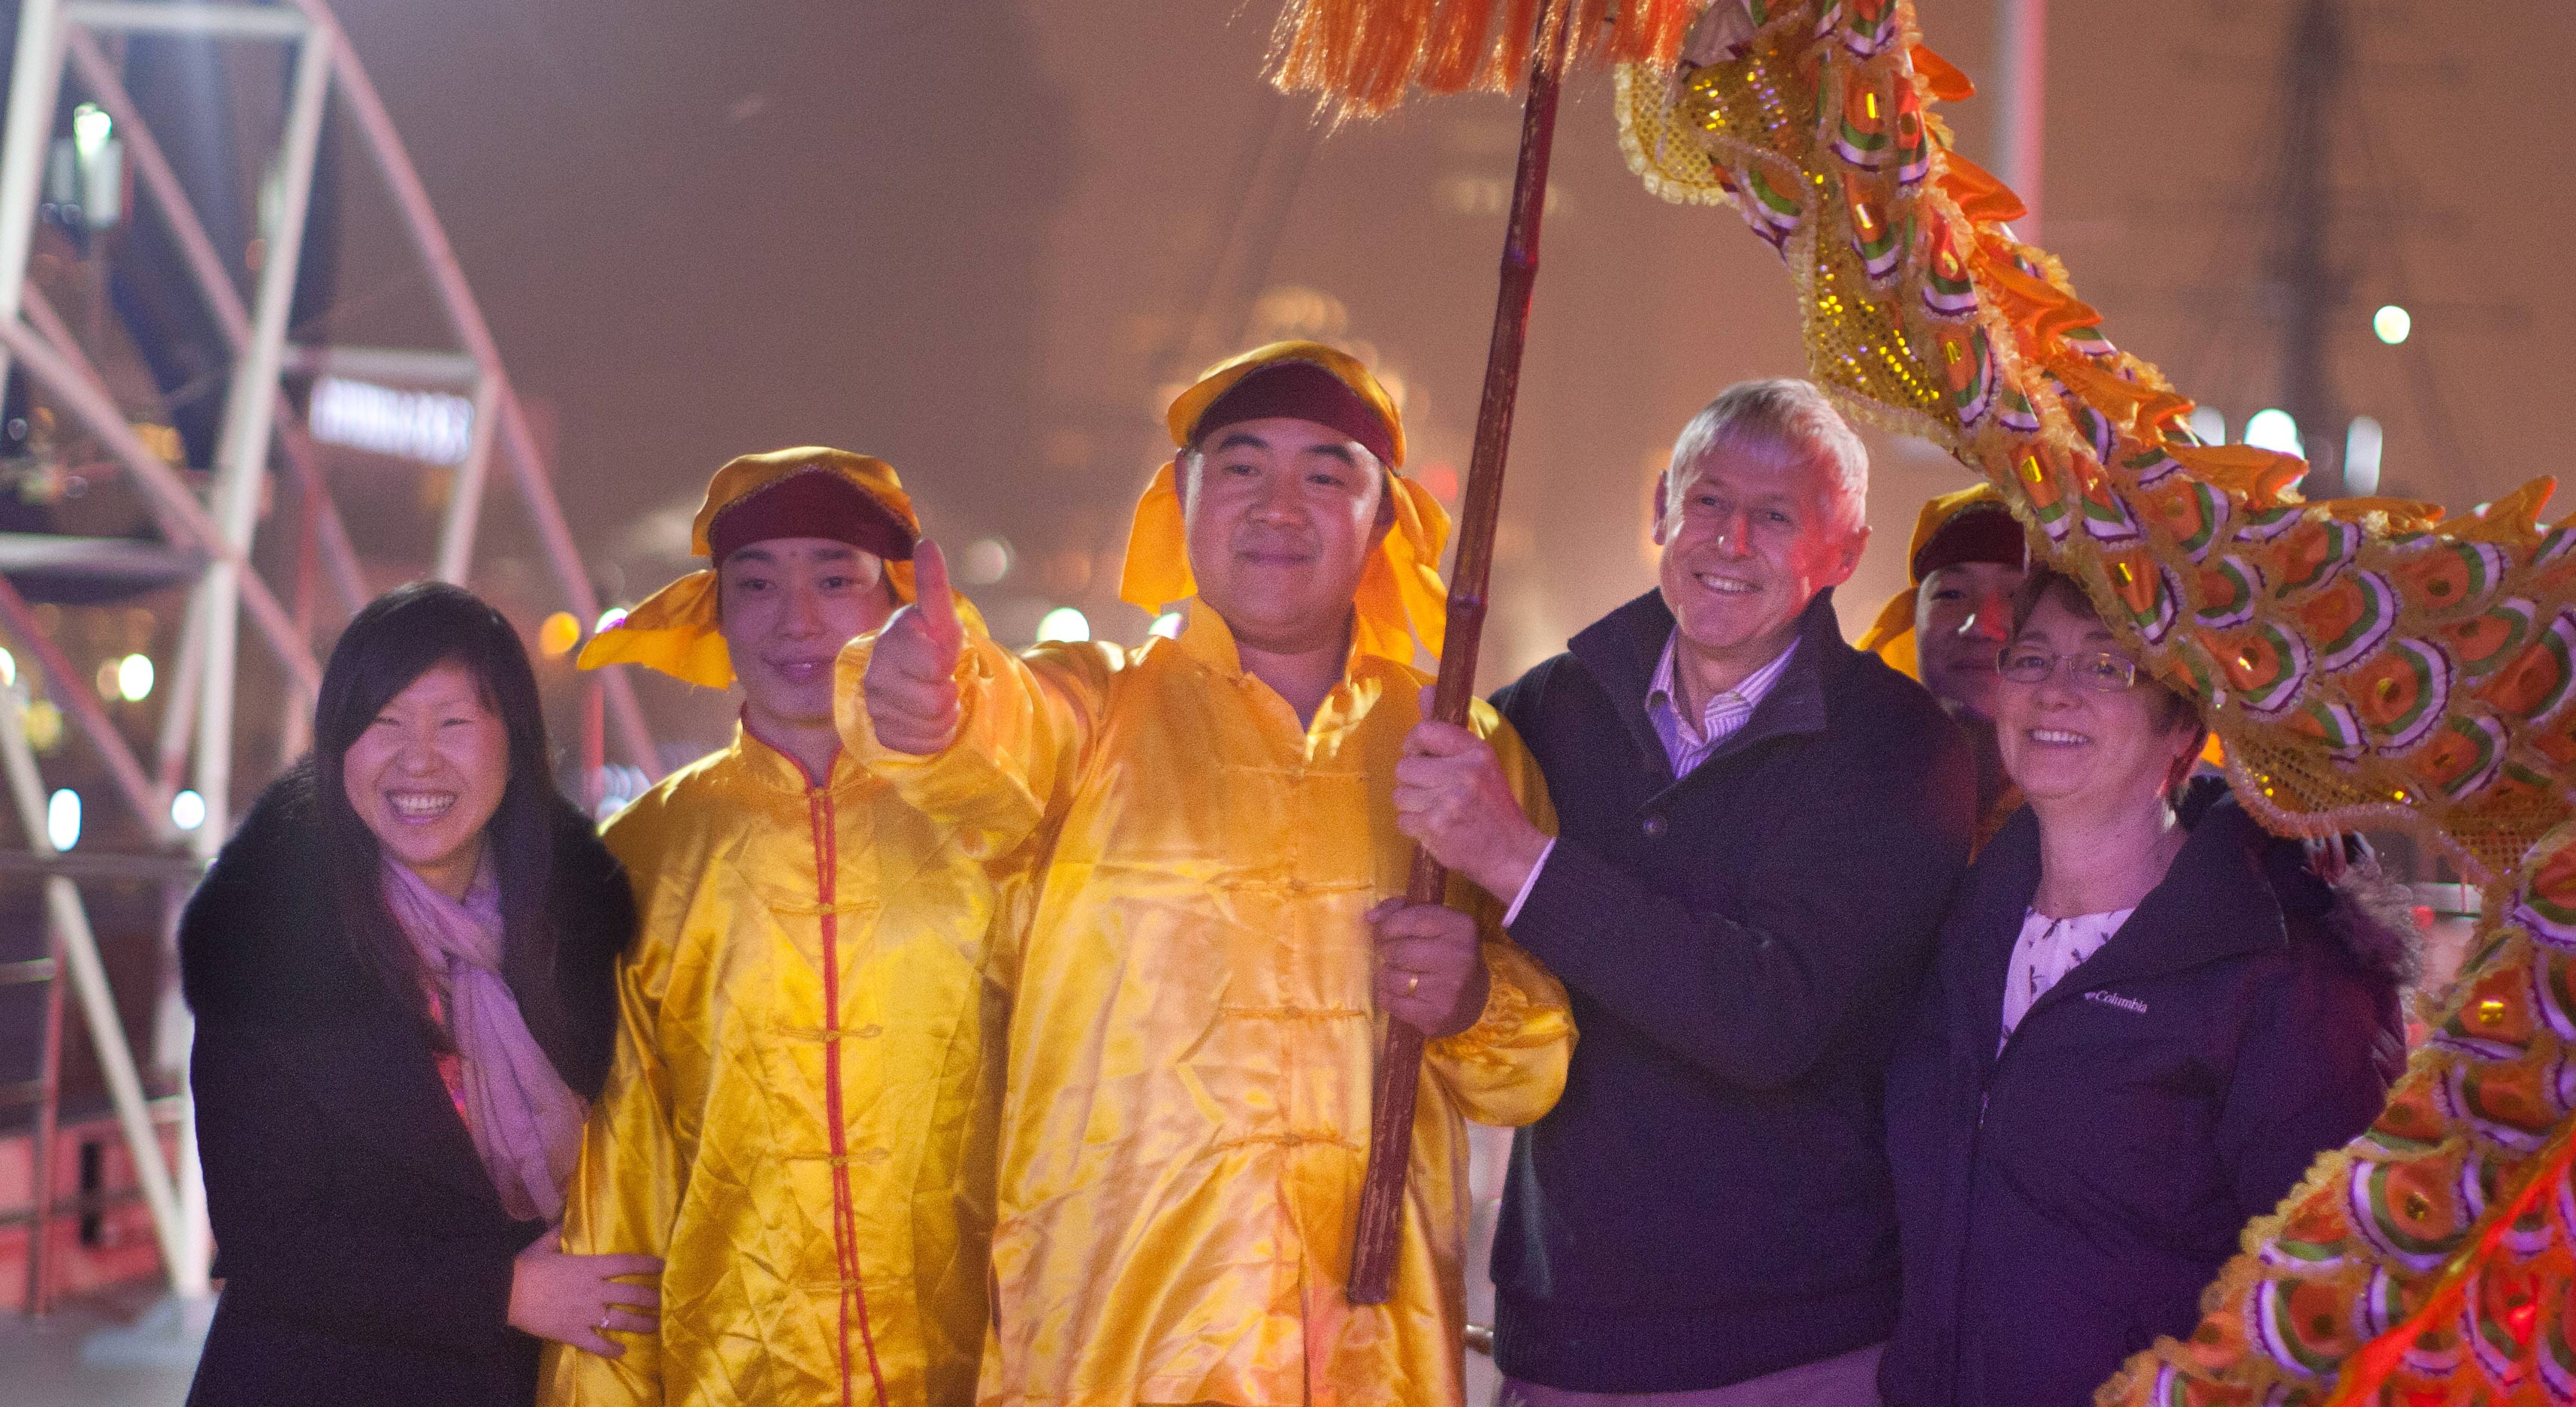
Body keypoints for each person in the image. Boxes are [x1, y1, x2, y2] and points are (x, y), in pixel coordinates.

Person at [848, 340, 1574, 1407]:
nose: (1280, 505)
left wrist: (1472, 999)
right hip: (1120, 1351)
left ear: (1382, 523)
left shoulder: (1457, 747)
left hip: (1369, 1357)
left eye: (1326, 476)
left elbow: (1533, 1076)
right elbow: (985, 737)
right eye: (1240, 468)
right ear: (1178, 503)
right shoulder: (1091, 711)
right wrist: (929, 697)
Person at [1389, 378, 1973, 1407]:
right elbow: (1462, 957)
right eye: (1707, 501)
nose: (1729, 539)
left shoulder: (1898, 748)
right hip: (1561, 1333)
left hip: (1790, 1346)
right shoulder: (1545, 710)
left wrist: (1523, 863)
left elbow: (1771, 1014)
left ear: (1841, 554)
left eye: (1775, 517)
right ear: (1661, 507)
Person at [546, 448, 1019, 1407]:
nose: (796, 620)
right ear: (716, 611)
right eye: (756, 583)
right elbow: (620, 1167)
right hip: (725, 1373)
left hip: (978, 1369)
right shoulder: (643, 854)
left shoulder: (995, 824)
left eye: (834, 579)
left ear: (896, 601)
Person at [1880, 568, 2413, 1407]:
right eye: (2033, 658)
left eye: (2107, 667)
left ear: (2183, 730)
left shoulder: (2278, 973)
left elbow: (2343, 1301)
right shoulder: (1963, 918)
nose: (2055, 693)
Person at [180, 582, 647, 1407]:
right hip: (319, 1381)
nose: (418, 758)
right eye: (384, 723)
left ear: (517, 742)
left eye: (454, 722)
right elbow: (268, 1237)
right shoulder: (269, 945)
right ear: (338, 749)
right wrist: (504, 1291)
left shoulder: (582, 931)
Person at [1859, 482, 2026, 853]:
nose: (1982, 625)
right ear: (1911, 619)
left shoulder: (2093, 816)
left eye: (2017, 596)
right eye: (1951, 594)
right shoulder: (1837, 780)